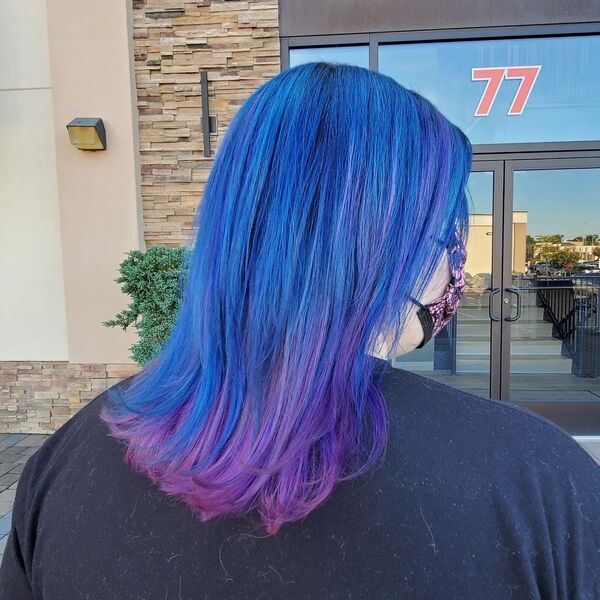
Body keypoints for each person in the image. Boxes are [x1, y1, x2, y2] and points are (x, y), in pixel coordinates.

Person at [1, 62, 598, 599]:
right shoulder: (536, 485)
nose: (457, 271)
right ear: (405, 246)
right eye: (450, 237)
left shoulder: (67, 461)